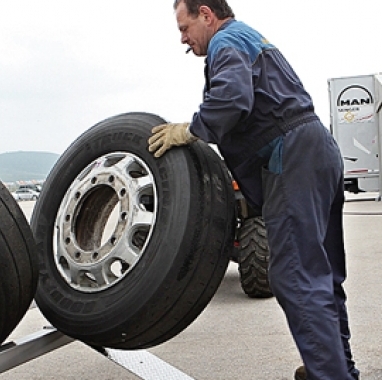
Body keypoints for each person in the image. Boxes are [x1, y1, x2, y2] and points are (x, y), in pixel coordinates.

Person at [147, 1, 359, 379]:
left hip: (290, 157)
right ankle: (337, 369)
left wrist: (190, 130)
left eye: (185, 27)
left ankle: (331, 374)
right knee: (322, 275)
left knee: (296, 277)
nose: (182, 39)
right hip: (316, 151)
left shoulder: (225, 42)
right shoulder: (248, 37)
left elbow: (231, 99)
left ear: (207, 15)